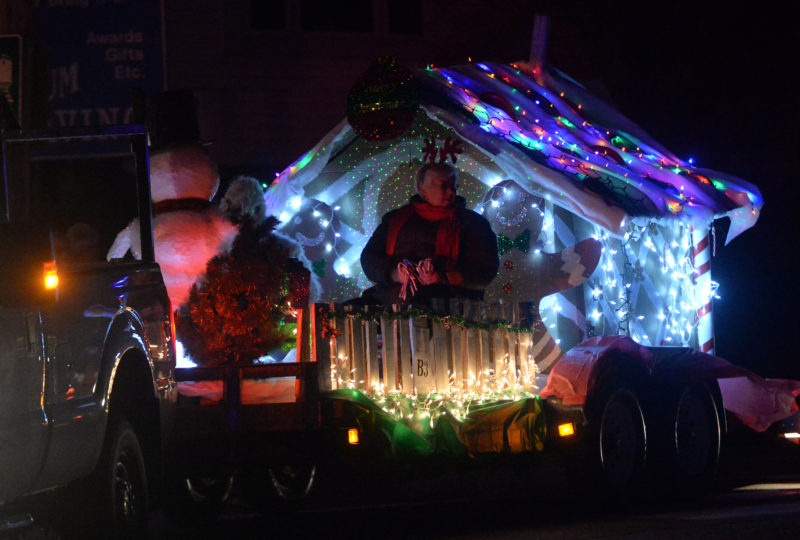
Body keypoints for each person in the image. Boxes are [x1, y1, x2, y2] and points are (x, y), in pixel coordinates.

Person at [360, 162, 499, 306]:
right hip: (392, 300)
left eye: (453, 186)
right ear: (422, 189)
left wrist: (443, 278)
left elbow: (484, 269)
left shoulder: (473, 223)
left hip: (451, 303)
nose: (451, 192)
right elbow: (370, 258)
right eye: (443, 185)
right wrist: (396, 274)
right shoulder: (395, 220)